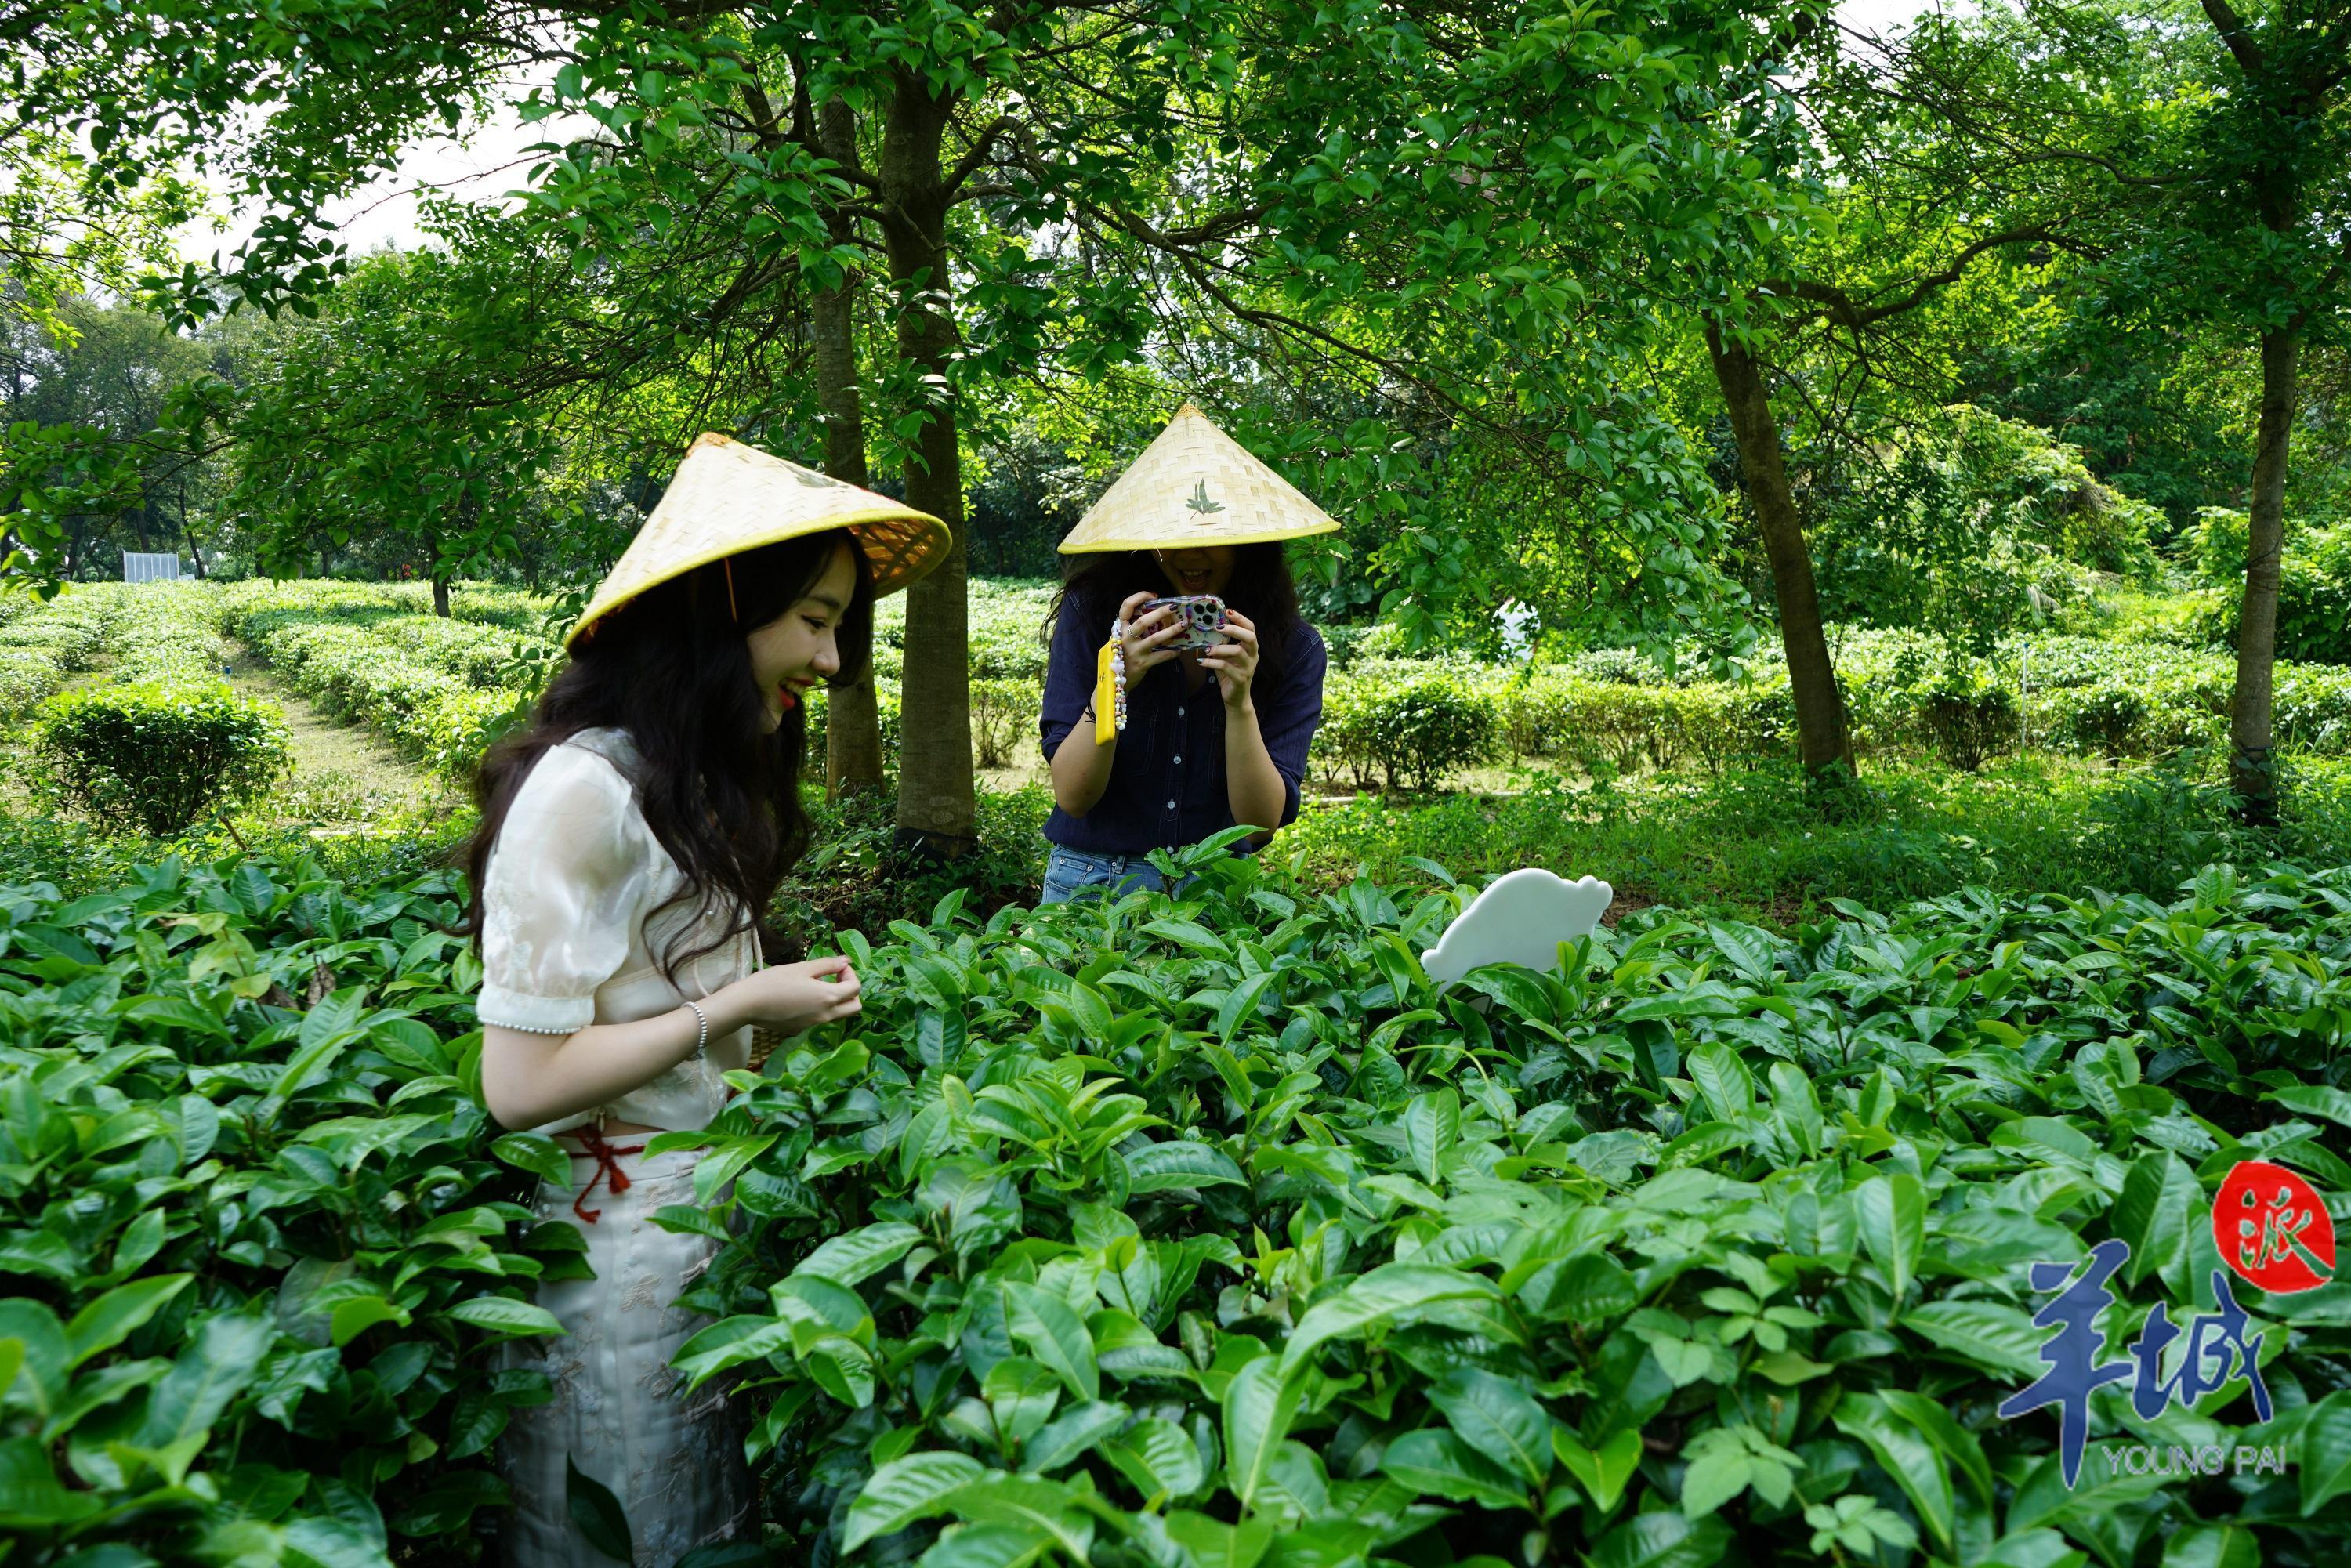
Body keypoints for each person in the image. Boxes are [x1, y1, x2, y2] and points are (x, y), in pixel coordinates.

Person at [458, 433, 949, 1568]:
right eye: (817, 620)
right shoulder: (582, 793)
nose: (832, 661)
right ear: (722, 610)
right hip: (615, 1255)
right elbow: (517, 1086)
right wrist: (728, 1011)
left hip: (704, 1236)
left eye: (839, 624)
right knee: (631, 1531)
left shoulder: (685, 780)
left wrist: (758, 1007)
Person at [1038, 402, 1335, 904]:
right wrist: (1115, 682)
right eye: (1167, 536)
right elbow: (1073, 795)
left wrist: (1239, 703)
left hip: (1216, 890)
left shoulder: (1294, 648)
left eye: (1211, 537)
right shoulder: (1094, 618)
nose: (1188, 554)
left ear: (1248, 543)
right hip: (1092, 882)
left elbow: (1258, 827)